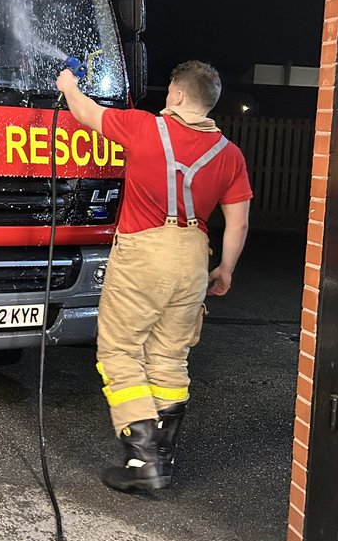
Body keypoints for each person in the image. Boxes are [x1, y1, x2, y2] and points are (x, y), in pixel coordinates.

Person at [55, 60, 252, 493]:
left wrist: (68, 86)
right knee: (169, 356)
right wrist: (225, 269)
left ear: (178, 96)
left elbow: (85, 113)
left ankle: (143, 460)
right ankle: (162, 457)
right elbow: (237, 224)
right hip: (194, 256)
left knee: (119, 353)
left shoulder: (144, 127)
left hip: (144, 253)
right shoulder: (230, 155)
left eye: (169, 94)